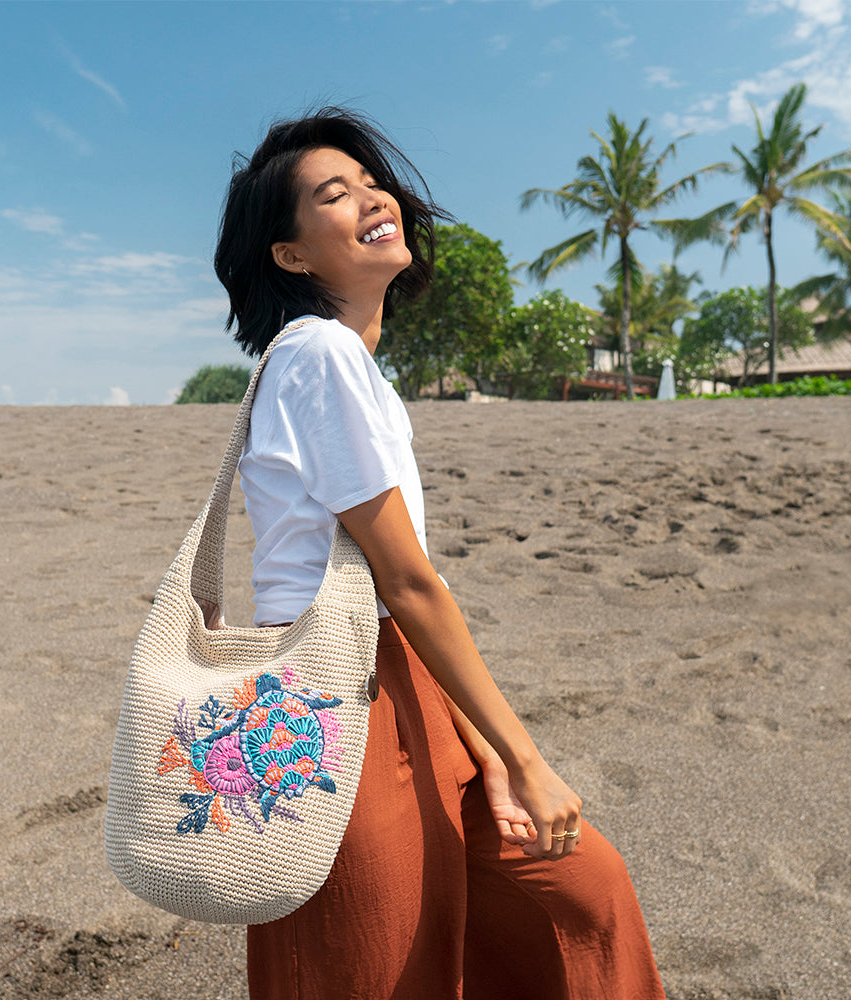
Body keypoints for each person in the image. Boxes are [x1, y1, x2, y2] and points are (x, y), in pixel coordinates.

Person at [214, 107, 665, 1000]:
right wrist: (527, 758)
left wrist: (481, 751)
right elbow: (408, 583)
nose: (372, 197)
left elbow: (407, 594)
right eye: (333, 195)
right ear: (292, 255)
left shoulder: (354, 368)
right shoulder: (319, 355)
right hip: (335, 700)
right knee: (373, 963)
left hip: (411, 687)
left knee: (579, 894)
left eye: (371, 181)